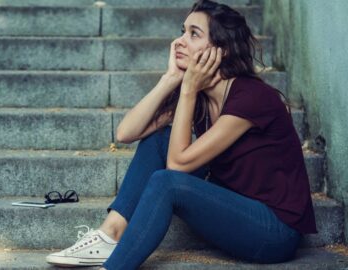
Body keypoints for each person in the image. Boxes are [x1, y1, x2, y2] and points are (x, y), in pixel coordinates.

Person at [46, 0, 318, 268]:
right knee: (159, 139)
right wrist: (171, 78)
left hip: (273, 231)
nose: (179, 41)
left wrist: (188, 88)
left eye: (193, 34)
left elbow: (176, 167)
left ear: (220, 51)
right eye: (182, 31)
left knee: (168, 183)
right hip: (234, 207)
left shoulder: (252, 97)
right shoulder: (200, 97)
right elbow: (126, 132)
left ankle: (114, 267)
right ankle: (110, 234)